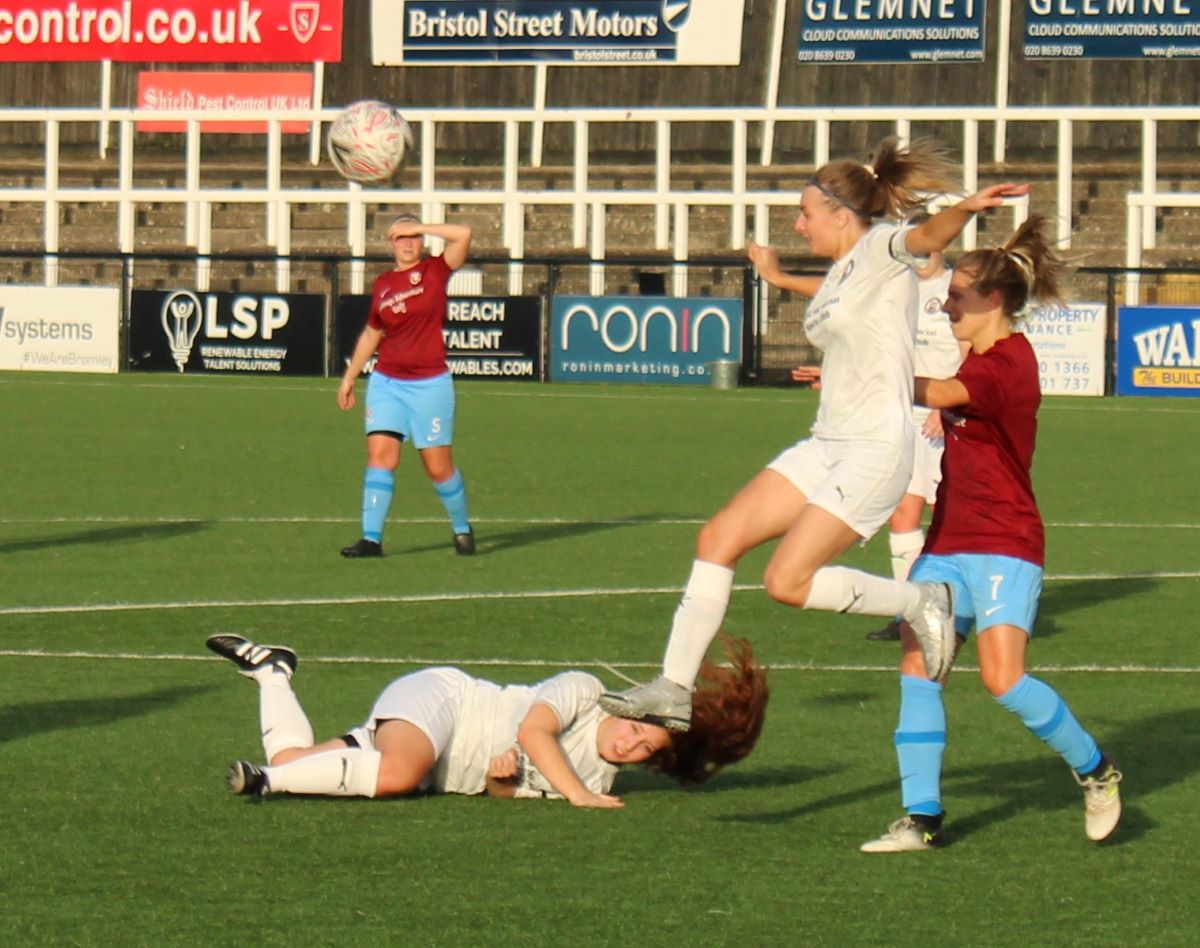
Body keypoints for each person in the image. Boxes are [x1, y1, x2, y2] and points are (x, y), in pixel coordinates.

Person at [601, 136, 1023, 730]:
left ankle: (921, 600)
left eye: (805, 213)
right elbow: (847, 312)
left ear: (842, 216)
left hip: (875, 449)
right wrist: (777, 277)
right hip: (827, 443)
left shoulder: (880, 247)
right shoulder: (843, 272)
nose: (798, 225)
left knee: (786, 582)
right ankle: (674, 687)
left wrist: (969, 206)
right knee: (718, 536)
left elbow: (926, 237)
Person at [859, 214, 1122, 852]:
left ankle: (1097, 771)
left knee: (1003, 679)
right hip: (946, 544)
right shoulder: (974, 355)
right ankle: (923, 820)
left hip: (1006, 541)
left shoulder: (1008, 361)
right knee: (920, 670)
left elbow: (946, 391)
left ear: (994, 300)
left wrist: (865, 375)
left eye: (957, 296)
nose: (947, 305)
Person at [206, 632, 768, 806]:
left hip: (435, 765)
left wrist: (501, 778)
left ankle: (273, 673)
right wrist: (577, 796)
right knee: (397, 775)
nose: (630, 743)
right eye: (637, 728)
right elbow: (533, 731)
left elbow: (505, 791)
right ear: (633, 708)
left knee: (297, 759)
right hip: (444, 701)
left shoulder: (600, 779)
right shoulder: (587, 692)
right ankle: (264, 780)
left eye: (645, 749)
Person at [338, 214, 475, 559]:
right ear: (390, 244)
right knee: (381, 456)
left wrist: (423, 226)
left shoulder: (435, 270)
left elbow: (464, 234)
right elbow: (373, 333)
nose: (408, 242)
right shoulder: (383, 284)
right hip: (387, 382)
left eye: (412, 236)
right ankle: (371, 539)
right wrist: (350, 375)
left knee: (437, 467)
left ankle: (462, 528)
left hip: (430, 384)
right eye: (400, 237)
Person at [866, 245, 967, 642]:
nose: (921, 256)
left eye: (927, 249)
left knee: (949, 515)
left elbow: (969, 349)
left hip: (942, 414)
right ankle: (909, 610)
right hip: (903, 412)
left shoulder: (953, 289)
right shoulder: (899, 288)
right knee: (902, 514)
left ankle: (962, 605)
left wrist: (946, 407)